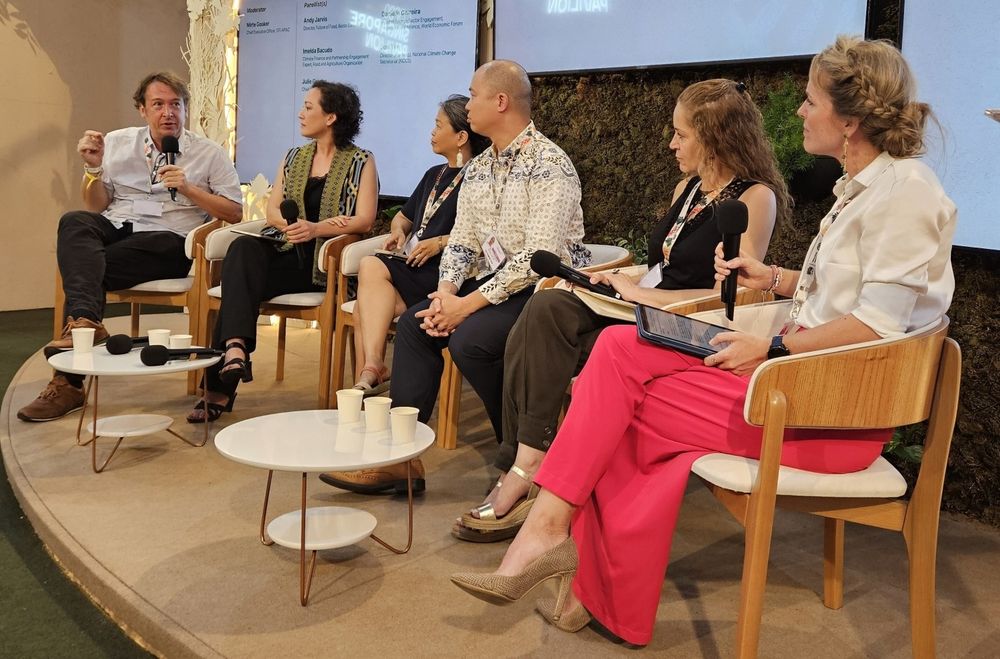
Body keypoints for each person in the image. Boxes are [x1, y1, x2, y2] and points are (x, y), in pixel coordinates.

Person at [450, 35, 956, 646]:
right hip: (800, 389)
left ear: (848, 120)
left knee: (615, 398)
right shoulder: (868, 189)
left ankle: (558, 544)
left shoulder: (906, 191)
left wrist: (771, 350)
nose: (799, 111)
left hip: (830, 415)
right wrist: (775, 278)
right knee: (615, 365)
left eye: (809, 100)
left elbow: (880, 328)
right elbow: (846, 295)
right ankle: (570, 559)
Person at [454, 78, 791, 542]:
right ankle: (529, 461)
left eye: (682, 135)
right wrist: (620, 283)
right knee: (547, 304)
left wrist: (644, 297)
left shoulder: (755, 198)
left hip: (688, 322)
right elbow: (661, 268)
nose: (672, 144)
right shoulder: (686, 191)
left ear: (714, 139)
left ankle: (528, 470)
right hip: (642, 306)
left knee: (553, 329)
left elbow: (732, 297)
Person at [320, 60, 590, 494]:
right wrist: (445, 295)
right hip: (490, 285)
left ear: (500, 102)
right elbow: (463, 241)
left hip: (544, 290)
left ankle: (522, 460)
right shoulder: (481, 168)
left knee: (471, 341)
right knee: (415, 325)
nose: (469, 102)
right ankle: (400, 459)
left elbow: (538, 259)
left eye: (474, 94)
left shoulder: (549, 164)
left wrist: (466, 306)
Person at [17, 72, 243, 423]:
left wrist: (190, 190)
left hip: (169, 239)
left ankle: (69, 382)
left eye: (175, 105)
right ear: (142, 110)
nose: (168, 112)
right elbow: (96, 205)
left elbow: (235, 211)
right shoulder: (118, 143)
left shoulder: (207, 153)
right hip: (118, 225)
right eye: (158, 104)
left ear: (185, 109)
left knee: (83, 268)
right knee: (74, 221)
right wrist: (92, 168)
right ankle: (86, 323)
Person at [187, 80, 377, 422]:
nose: (301, 114)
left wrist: (316, 229)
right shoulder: (293, 157)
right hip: (288, 250)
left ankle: (218, 388)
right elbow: (273, 209)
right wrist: (289, 226)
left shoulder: (361, 161)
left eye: (309, 107)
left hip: (322, 267)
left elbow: (364, 220)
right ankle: (236, 349)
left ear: (331, 116)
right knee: (243, 247)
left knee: (237, 288)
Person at [345, 95, 490, 397]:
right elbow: (403, 217)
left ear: (461, 137)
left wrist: (439, 243)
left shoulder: (479, 176)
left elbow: (487, 235)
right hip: (414, 266)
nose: (432, 133)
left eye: (439, 126)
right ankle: (373, 367)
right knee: (370, 299)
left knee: (369, 276)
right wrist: (399, 231)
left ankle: (373, 367)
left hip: (448, 274)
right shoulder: (433, 174)